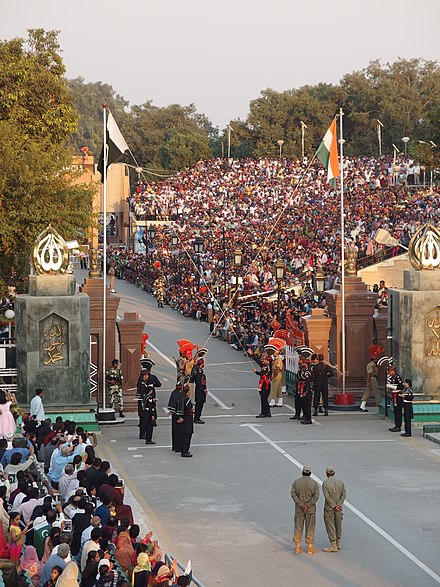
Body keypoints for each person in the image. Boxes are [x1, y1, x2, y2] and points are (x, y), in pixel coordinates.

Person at [291, 465, 319, 554]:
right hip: (310, 509)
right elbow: (316, 496)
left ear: (302, 472)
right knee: (310, 526)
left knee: (298, 526)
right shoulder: (314, 483)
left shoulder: (296, 482)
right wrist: (308, 504)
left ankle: (297, 546)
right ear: (310, 473)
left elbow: (293, 494)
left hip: (299, 509)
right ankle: (310, 546)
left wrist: (301, 504)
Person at [322, 466, 346, 552]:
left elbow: (327, 496)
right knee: (338, 523)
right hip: (339, 508)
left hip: (329, 508)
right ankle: (338, 542)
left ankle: (333, 544)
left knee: (330, 525)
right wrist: (339, 504)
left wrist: (333, 505)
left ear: (326, 474)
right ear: (334, 473)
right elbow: (344, 494)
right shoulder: (340, 482)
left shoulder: (325, 483)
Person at [136, 360, 161, 441]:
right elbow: (158, 384)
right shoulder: (151, 377)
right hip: (149, 400)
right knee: (149, 416)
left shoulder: (140, 378)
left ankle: (142, 433)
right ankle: (147, 434)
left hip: (142, 401)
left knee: (142, 417)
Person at [291, 358, 313, 425]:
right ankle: (305, 417)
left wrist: (305, 392)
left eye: (304, 363)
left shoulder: (307, 372)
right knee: (302, 403)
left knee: (307, 405)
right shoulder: (302, 371)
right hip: (300, 389)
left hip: (306, 390)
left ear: (307, 364)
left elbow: (307, 382)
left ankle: (308, 419)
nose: (302, 364)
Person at [250, 352, 271, 418]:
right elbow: (258, 362)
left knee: (264, 398)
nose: (263, 361)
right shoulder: (264, 366)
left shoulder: (268, 368)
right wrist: (252, 355)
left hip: (265, 384)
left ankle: (264, 412)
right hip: (262, 383)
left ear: (268, 361)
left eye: (265, 360)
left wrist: (256, 372)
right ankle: (267, 412)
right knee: (264, 398)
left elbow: (262, 373)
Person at [177, 385, 194, 458]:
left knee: (182, 436)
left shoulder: (180, 398)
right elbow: (188, 410)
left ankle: (182, 449)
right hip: (187, 420)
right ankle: (185, 451)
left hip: (182, 419)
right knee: (187, 436)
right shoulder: (187, 400)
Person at [387, 365, 404, 432]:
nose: (390, 373)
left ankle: (398, 426)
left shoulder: (397, 377)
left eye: (390, 371)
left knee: (398, 411)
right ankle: (396, 425)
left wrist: (392, 387)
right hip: (394, 395)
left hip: (398, 395)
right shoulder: (392, 378)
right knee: (395, 411)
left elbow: (401, 387)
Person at [167, 383, 184, 453]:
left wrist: (171, 411)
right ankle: (178, 447)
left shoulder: (173, 393)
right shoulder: (180, 395)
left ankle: (174, 446)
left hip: (173, 415)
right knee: (179, 432)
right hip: (178, 415)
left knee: (174, 431)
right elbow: (180, 406)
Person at [191, 357, 208, 424]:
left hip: (200, 389)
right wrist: (204, 389)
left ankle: (197, 417)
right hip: (200, 390)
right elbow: (199, 381)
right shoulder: (199, 371)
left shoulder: (196, 368)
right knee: (199, 404)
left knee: (200, 404)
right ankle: (197, 418)